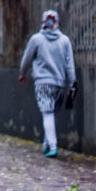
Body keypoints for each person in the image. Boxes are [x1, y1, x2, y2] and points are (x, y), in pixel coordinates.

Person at [18, 9, 76, 158]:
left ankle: (53, 146)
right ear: (57, 22)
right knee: (51, 113)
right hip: (59, 83)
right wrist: (72, 83)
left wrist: (22, 74)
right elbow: (69, 65)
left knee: (47, 113)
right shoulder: (64, 41)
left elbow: (26, 59)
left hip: (43, 82)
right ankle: (46, 144)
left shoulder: (36, 39)